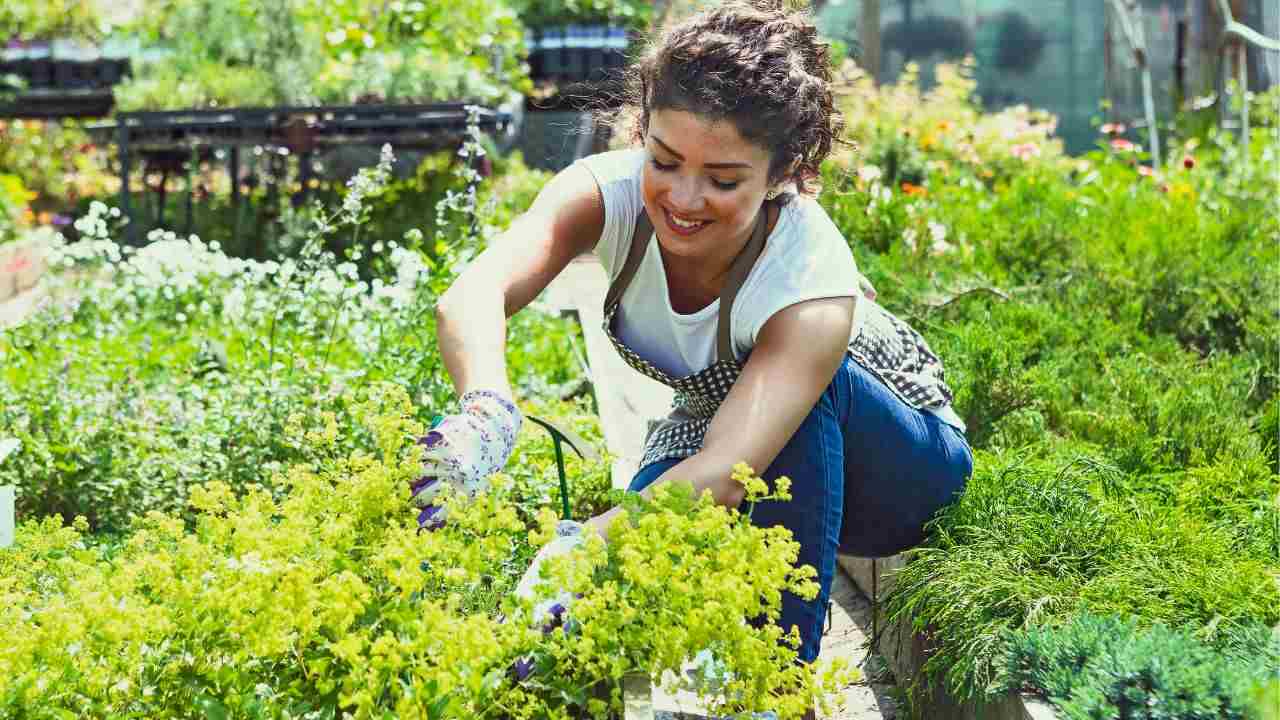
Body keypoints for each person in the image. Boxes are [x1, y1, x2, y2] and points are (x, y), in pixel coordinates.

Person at [411, 0, 973, 694]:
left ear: (781, 174)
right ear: (642, 132)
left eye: (723, 179)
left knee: (654, 515)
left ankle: (774, 688)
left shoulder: (806, 272)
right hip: (729, 433)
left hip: (901, 471)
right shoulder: (606, 195)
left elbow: (727, 472)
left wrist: (584, 547)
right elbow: (470, 294)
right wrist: (487, 410)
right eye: (665, 160)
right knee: (637, 561)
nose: (683, 197)